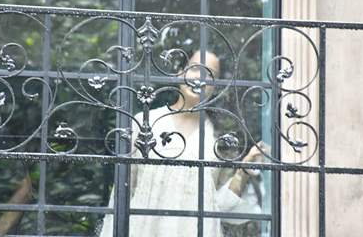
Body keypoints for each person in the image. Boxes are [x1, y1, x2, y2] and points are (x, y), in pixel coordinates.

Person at [100, 50, 267, 237]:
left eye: (210, 74)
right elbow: (122, 192)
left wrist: (243, 171)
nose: (201, 79)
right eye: (196, 69)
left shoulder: (220, 137)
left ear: (216, 86)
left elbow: (220, 207)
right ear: (180, 72)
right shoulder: (146, 122)